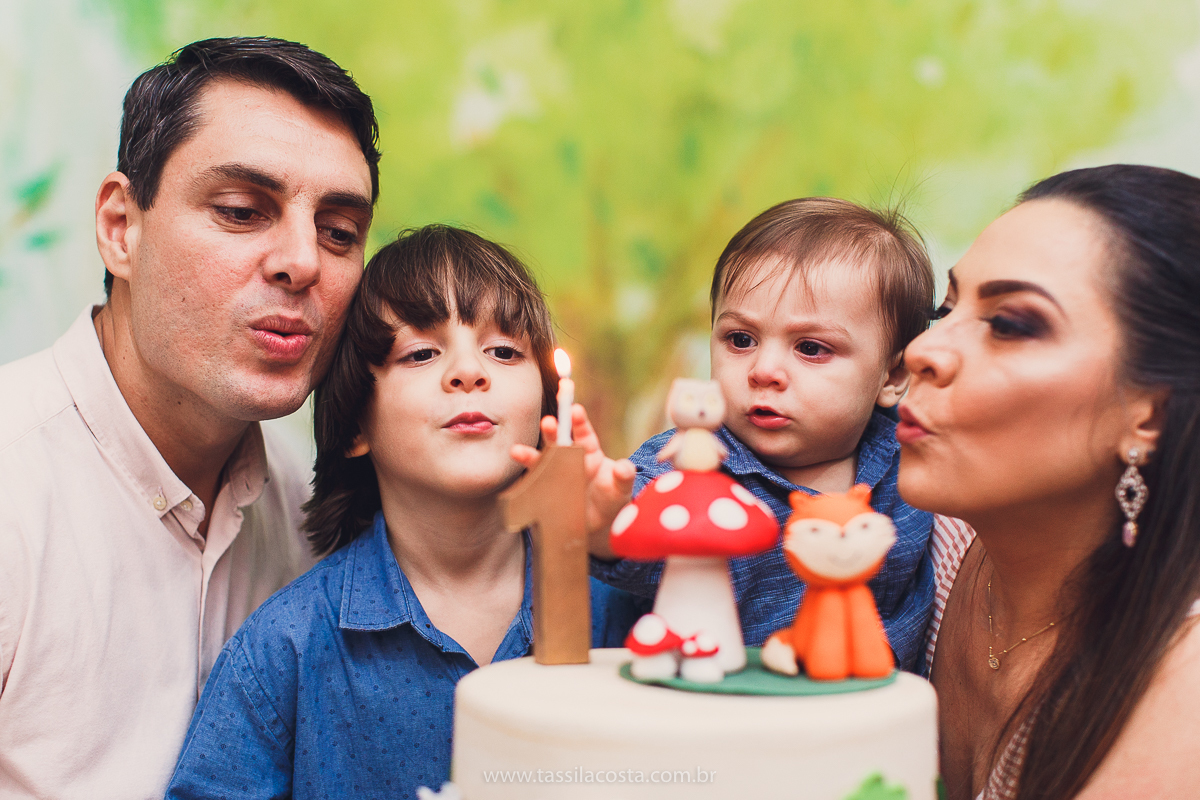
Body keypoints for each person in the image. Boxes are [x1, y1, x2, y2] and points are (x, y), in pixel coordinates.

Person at [0, 38, 379, 797]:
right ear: (120, 227)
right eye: (242, 211)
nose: (303, 260)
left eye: (339, 232)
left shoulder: (309, 511)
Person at [165, 225, 644, 799]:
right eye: (421, 353)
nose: (470, 373)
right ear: (354, 426)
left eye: (504, 351)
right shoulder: (285, 649)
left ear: (546, 402)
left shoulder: (628, 611)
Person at [516, 197, 939, 670]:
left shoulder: (916, 466)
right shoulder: (693, 462)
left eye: (812, 348)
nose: (764, 370)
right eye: (741, 340)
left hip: (872, 720)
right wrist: (603, 526)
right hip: (716, 718)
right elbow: (642, 529)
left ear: (893, 375)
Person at [899, 164, 1200, 799]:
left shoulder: (1183, 674)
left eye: (1009, 324)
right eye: (944, 309)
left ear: (1150, 413)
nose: (921, 351)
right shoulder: (933, 552)